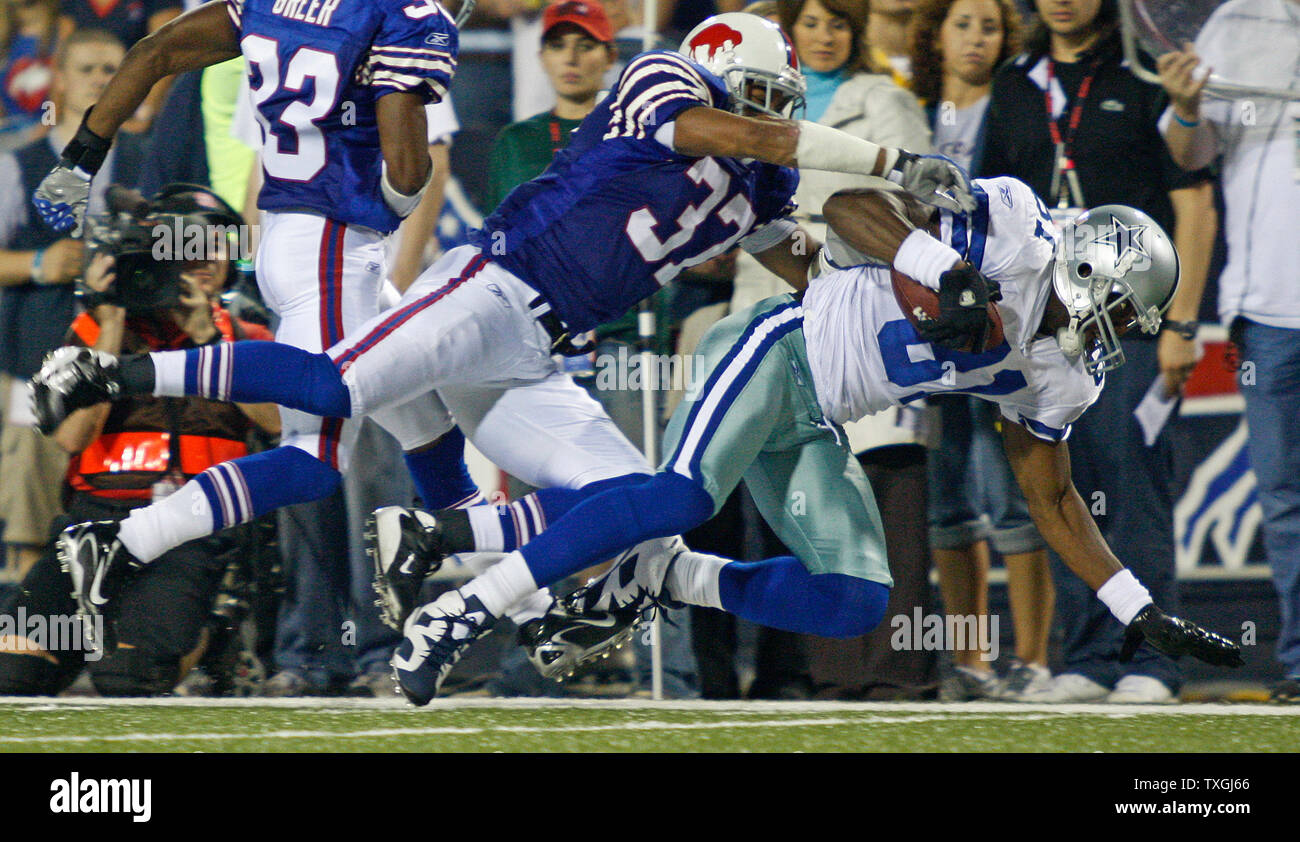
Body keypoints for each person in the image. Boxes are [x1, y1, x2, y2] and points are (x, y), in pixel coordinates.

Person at [30, 12, 976, 696]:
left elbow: (804, 262)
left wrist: (906, 295)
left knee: (635, 514)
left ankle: (447, 559)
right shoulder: (664, 84)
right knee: (331, 393)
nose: (774, 117)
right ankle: (110, 374)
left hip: (537, 352)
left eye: (783, 103)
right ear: (719, 73)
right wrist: (885, 162)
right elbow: (735, 132)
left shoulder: (761, 180)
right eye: (764, 96)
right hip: (489, 290)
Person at [374, 177, 1245, 702]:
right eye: (1118, 313)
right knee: (679, 496)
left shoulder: (1065, 373)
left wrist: (1139, 609)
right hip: (778, 347)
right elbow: (849, 206)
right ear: (1086, 268)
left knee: (858, 601)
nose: (1111, 338)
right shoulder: (1012, 229)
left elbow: (1048, 497)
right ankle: (461, 608)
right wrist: (946, 273)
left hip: (819, 421)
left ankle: (665, 573)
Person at [977, 0, 1217, 704]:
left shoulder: (1144, 80)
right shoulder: (1015, 84)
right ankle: (1086, 657)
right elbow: (990, 200)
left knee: (1135, 495)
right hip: (1041, 324)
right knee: (1063, 493)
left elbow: (1193, 203)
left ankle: (1153, 663)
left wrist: (1182, 324)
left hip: (1128, 321)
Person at [0, 183, 278, 696]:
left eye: (218, 247)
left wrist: (207, 339)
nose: (208, 260)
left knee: (128, 678)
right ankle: (90, 637)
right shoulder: (93, 329)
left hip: (188, 531)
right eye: (192, 246)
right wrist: (110, 325)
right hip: (90, 527)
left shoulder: (246, 336)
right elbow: (71, 437)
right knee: (11, 671)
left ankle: (212, 639)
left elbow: (278, 423)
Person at [1155, 0, 1300, 703]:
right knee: (1284, 499)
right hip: (1272, 308)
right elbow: (1192, 151)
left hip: (1270, 315)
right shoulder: (1239, 22)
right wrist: (1185, 106)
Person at [908, 0, 1052, 701]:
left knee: (1014, 496)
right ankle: (971, 663)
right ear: (936, 33)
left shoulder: (1021, 102)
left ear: (1005, 39)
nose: (975, 39)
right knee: (948, 499)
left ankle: (1032, 661)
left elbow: (1035, 215)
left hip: (1000, 323)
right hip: (921, 319)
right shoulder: (909, 105)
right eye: (962, 24)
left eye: (989, 27)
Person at [0, 28, 141, 584]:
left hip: (127, 358)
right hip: (36, 354)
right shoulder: (22, 162)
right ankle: (29, 627)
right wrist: (38, 265)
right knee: (35, 500)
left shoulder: (143, 158)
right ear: (57, 78)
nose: (102, 82)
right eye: (88, 70)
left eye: (113, 71)